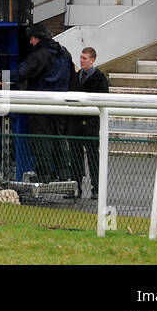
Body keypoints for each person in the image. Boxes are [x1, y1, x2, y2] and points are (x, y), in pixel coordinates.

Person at [16, 24, 76, 181]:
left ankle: (43, 175)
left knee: (42, 139)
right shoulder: (64, 53)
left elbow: (21, 74)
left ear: (37, 38)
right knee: (59, 138)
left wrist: (3, 76)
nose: (30, 42)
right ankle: (64, 174)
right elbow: (72, 77)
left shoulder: (39, 55)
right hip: (61, 102)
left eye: (32, 38)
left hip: (41, 103)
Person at [68, 46, 109, 198]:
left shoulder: (100, 78)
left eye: (85, 58)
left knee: (93, 157)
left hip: (91, 124)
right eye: (81, 57)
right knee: (75, 157)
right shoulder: (77, 76)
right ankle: (75, 187)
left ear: (93, 60)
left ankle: (97, 189)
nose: (81, 61)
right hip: (76, 124)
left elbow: (103, 100)